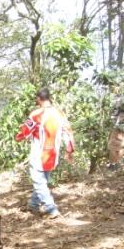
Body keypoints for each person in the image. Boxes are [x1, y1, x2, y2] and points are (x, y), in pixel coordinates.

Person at [15, 88, 75, 218]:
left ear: (38, 99)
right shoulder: (60, 113)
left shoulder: (36, 114)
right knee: (43, 180)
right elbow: (68, 132)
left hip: (39, 154)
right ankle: (33, 204)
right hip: (53, 154)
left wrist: (18, 137)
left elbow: (25, 130)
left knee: (39, 182)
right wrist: (69, 150)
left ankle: (51, 209)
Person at [107, 98, 124, 170]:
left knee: (120, 146)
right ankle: (114, 164)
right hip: (117, 128)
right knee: (112, 145)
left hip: (119, 128)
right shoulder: (119, 100)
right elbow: (114, 115)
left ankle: (116, 164)